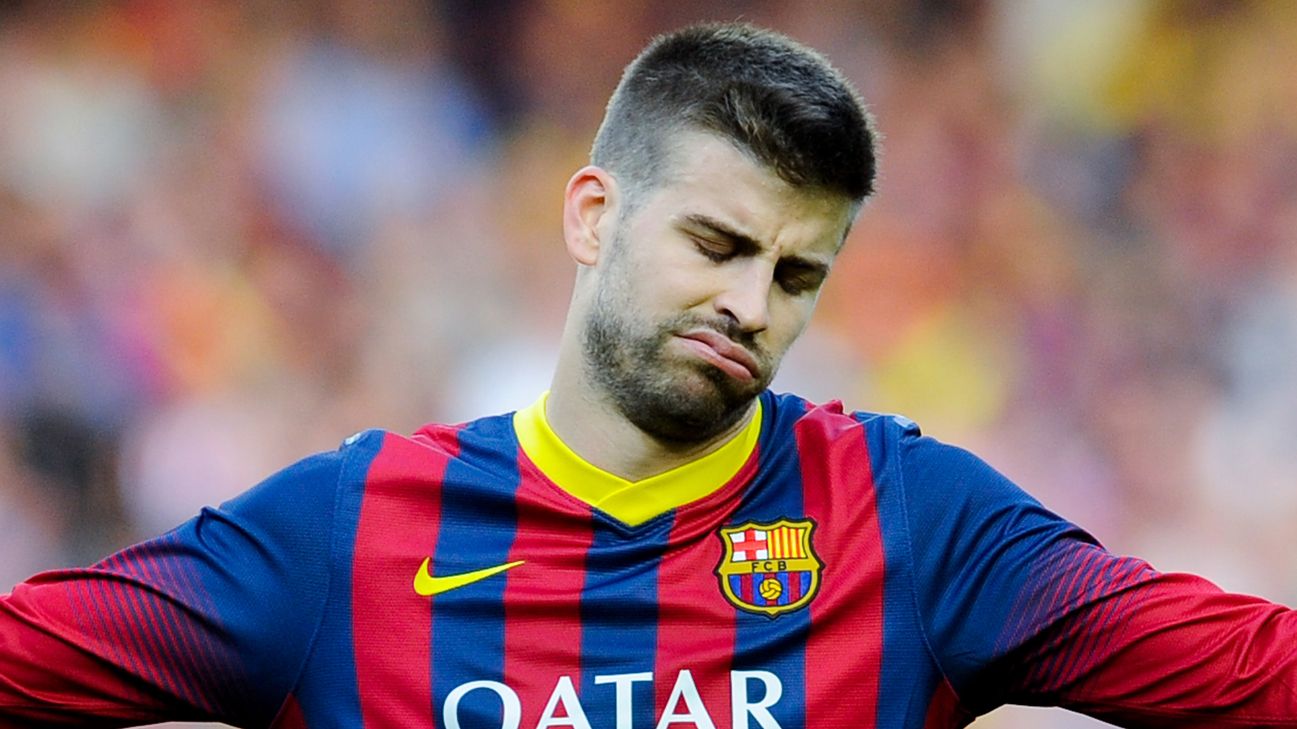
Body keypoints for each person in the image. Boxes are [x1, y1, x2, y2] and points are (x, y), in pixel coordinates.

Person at [1, 22, 1294, 729]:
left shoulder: (911, 516)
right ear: (591, 214)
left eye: (796, 275)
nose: (750, 305)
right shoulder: (339, 534)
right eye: (717, 245)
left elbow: (1252, 669)